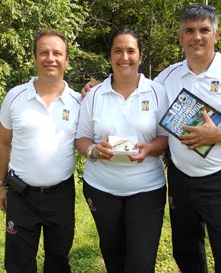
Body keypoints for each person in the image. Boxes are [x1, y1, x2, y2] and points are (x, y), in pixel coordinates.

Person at [82, 4, 221, 273]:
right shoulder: (167, 78)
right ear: (180, 37)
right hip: (180, 181)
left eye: (204, 30)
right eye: (189, 30)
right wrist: (97, 86)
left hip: (220, 180)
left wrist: (218, 134)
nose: (197, 37)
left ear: (216, 35)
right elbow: (131, 82)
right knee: (186, 254)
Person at [75, 28, 168, 273]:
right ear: (110, 56)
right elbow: (81, 138)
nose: (124, 57)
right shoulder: (94, 95)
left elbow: (166, 138)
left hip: (147, 188)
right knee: (113, 257)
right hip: (101, 188)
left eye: (130, 51)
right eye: (118, 51)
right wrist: (95, 150)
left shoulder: (157, 91)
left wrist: (148, 148)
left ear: (140, 56)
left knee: (141, 263)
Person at [0, 29, 81, 273]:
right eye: (43, 53)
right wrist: (1, 185)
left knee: (58, 260)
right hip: (21, 195)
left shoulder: (79, 102)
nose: (50, 58)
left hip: (61, 196)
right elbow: (2, 143)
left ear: (66, 60)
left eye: (57, 53)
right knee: (18, 263)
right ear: (34, 58)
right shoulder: (15, 96)